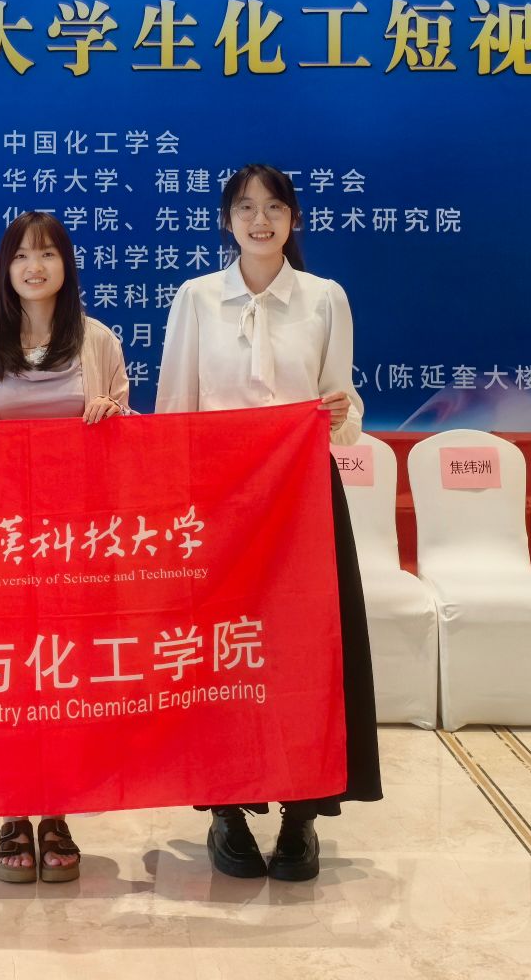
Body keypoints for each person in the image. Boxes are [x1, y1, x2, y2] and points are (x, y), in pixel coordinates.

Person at [154, 164, 383, 883]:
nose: (260, 220)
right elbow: (175, 409)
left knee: (305, 653)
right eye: (246, 208)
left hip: (301, 499)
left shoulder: (324, 298)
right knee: (220, 654)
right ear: (227, 220)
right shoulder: (196, 298)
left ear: (294, 220)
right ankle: (225, 808)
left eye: (275, 208)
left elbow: (342, 409)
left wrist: (340, 415)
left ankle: (302, 813)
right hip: (218, 505)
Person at [0, 211, 129, 884]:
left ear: (66, 266)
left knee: (66, 676)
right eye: (22, 255)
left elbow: (130, 448)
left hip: (78, 542)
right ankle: (11, 811)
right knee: (11, 680)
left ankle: (56, 810)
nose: (35, 266)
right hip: (4, 546)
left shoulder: (100, 342)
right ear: (6, 269)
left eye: (48, 254)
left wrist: (114, 418)